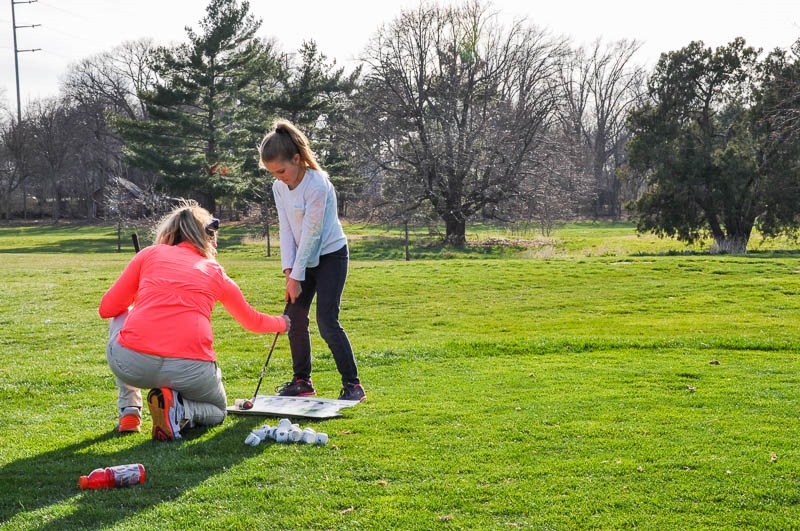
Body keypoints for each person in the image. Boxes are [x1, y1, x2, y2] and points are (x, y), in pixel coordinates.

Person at [99, 200, 290, 441]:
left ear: (169, 232)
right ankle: (181, 410)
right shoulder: (215, 272)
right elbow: (251, 320)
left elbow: (108, 308)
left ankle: (130, 411)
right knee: (218, 411)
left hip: (133, 366)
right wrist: (281, 323)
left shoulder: (149, 255)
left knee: (121, 314)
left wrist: (138, 298)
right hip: (191, 368)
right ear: (207, 236)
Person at [258, 119, 365, 402]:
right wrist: (289, 269)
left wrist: (297, 277)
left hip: (330, 255)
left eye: (282, 170)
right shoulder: (279, 188)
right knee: (293, 318)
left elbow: (312, 234)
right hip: (304, 259)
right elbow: (287, 229)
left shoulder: (317, 184)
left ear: (297, 158)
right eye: (273, 173)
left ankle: (353, 385)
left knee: (326, 320)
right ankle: (302, 381)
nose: (279, 177)